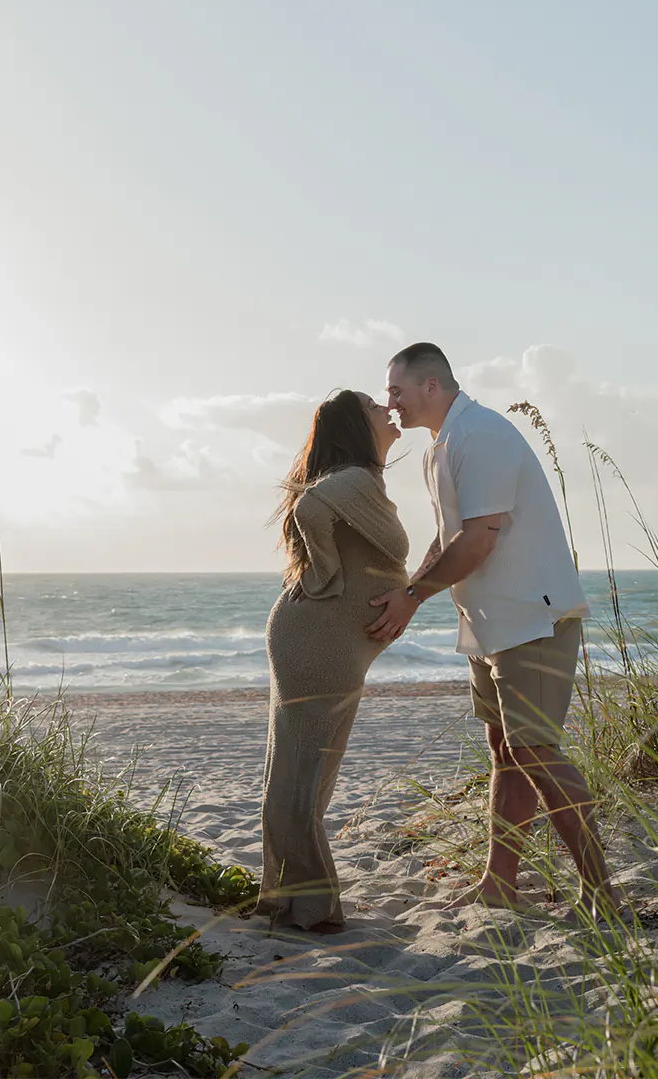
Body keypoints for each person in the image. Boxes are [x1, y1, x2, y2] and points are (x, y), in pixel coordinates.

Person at [369, 342, 618, 916]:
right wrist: (409, 590)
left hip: (531, 614)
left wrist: (412, 596)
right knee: (506, 750)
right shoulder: (442, 446)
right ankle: (498, 884)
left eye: (397, 391)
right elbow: (449, 536)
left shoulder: (480, 435)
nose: (393, 403)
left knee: (534, 748)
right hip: (490, 621)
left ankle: (602, 892)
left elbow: (479, 539)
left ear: (431, 386)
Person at [258, 389, 407, 931]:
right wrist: (325, 574)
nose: (386, 409)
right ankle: (311, 906)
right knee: (305, 770)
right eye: (373, 406)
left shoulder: (361, 482)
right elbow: (309, 508)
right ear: (356, 427)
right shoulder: (353, 480)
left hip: (317, 638)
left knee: (302, 770)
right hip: (318, 643)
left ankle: (289, 898)